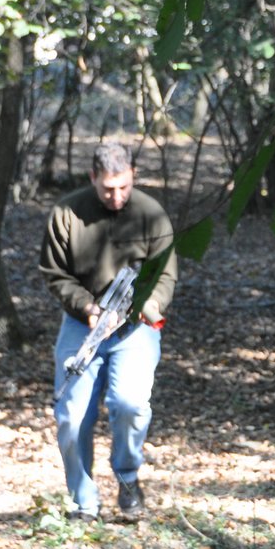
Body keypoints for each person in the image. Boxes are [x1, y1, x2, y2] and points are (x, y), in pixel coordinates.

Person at [39, 144, 177, 520]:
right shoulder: (68, 212)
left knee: (130, 405)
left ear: (133, 174)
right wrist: (86, 306)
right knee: (70, 414)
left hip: (135, 330)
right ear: (92, 178)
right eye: (106, 189)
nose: (115, 197)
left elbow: (165, 274)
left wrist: (143, 308)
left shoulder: (151, 214)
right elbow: (54, 273)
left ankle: (129, 480)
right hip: (81, 324)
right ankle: (82, 500)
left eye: (123, 188)